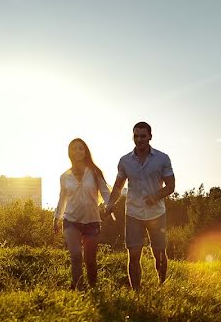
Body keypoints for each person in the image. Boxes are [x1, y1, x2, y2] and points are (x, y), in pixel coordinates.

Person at [108, 122, 175, 291]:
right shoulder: (124, 161)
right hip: (133, 213)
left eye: (143, 136)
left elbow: (171, 186)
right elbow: (117, 187)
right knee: (134, 253)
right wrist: (110, 203)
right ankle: (137, 292)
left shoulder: (162, 158)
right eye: (136, 136)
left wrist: (156, 196)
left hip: (156, 213)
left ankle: (161, 285)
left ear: (150, 137)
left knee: (159, 253)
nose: (139, 139)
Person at [53, 138, 112, 289]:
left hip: (92, 221)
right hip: (71, 221)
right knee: (75, 255)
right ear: (69, 153)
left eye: (81, 148)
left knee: (90, 260)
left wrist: (109, 205)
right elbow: (62, 199)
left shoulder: (94, 172)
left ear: (85, 151)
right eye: (74, 149)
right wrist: (56, 218)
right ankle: (78, 288)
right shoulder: (64, 177)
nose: (77, 151)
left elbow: (105, 192)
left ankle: (93, 288)